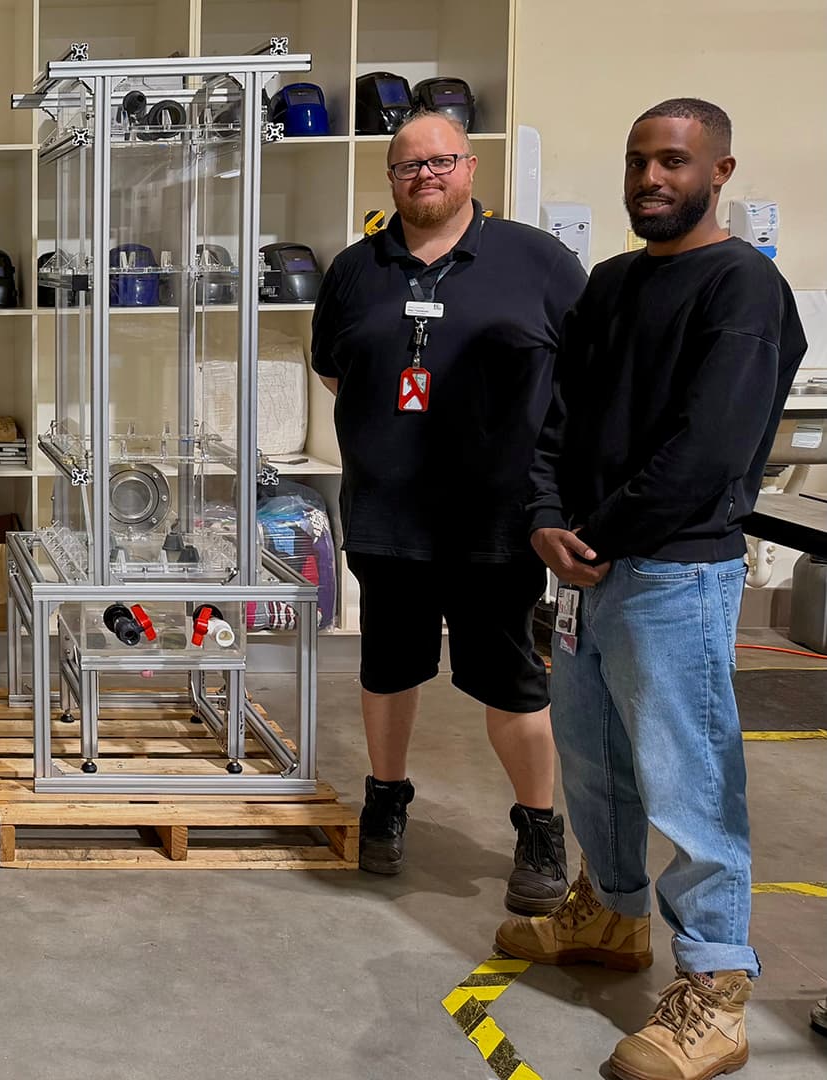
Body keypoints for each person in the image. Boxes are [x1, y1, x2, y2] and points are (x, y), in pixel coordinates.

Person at [499, 99, 806, 1080]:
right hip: (590, 567)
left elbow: (707, 453)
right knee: (594, 757)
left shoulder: (742, 289)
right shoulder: (611, 284)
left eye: (673, 161)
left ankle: (714, 988)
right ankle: (615, 912)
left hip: (676, 569)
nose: (651, 178)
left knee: (689, 779)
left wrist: (591, 532)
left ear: (719, 171)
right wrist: (548, 517)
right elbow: (558, 420)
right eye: (639, 161)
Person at [309, 111, 586, 912]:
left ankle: (540, 831)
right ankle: (386, 803)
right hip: (386, 514)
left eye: (440, 162)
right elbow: (337, 370)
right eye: (406, 167)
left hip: (497, 519)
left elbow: (585, 376)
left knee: (509, 680)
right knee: (387, 668)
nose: (424, 176)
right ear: (390, 180)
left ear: (470, 169)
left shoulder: (537, 261)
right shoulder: (358, 268)